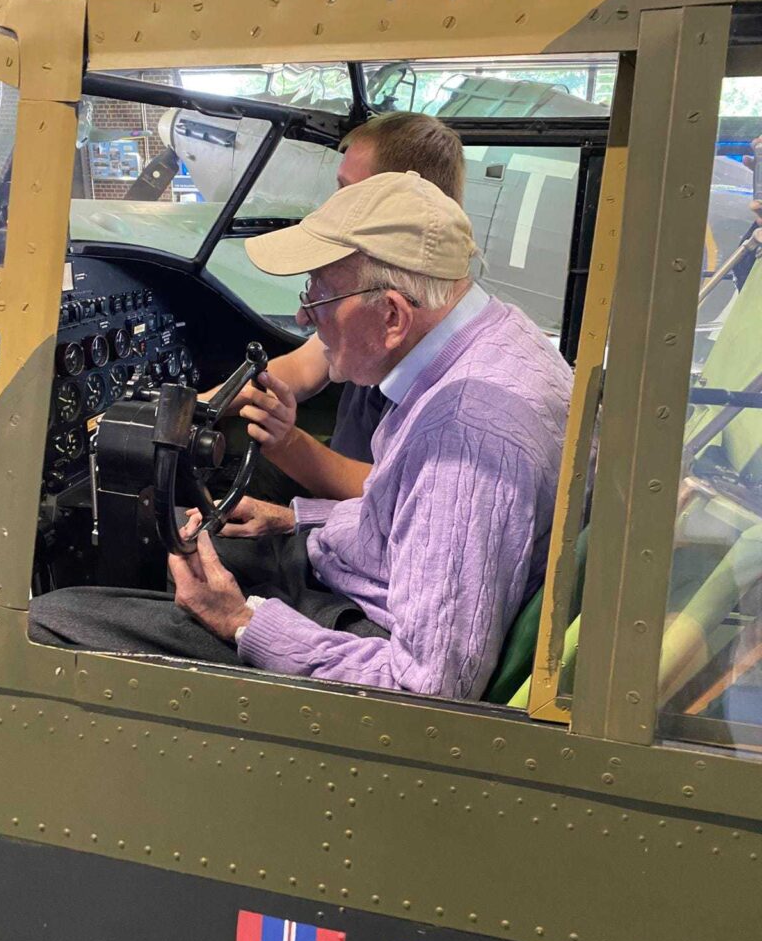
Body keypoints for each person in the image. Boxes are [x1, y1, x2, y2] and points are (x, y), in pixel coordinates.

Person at [29, 171, 572, 701]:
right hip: (373, 574)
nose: (302, 314)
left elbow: (424, 690)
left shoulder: (466, 438)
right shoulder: (501, 338)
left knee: (49, 623)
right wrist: (295, 517)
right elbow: (414, 518)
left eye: (319, 295)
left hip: (371, 639)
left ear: (391, 316)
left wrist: (239, 621)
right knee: (192, 548)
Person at [208, 111, 466, 503]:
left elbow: (393, 493)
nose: (333, 203)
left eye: (346, 190)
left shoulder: (433, 339)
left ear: (396, 200)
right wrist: (194, 408)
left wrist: (289, 447)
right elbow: (302, 367)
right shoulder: (395, 297)